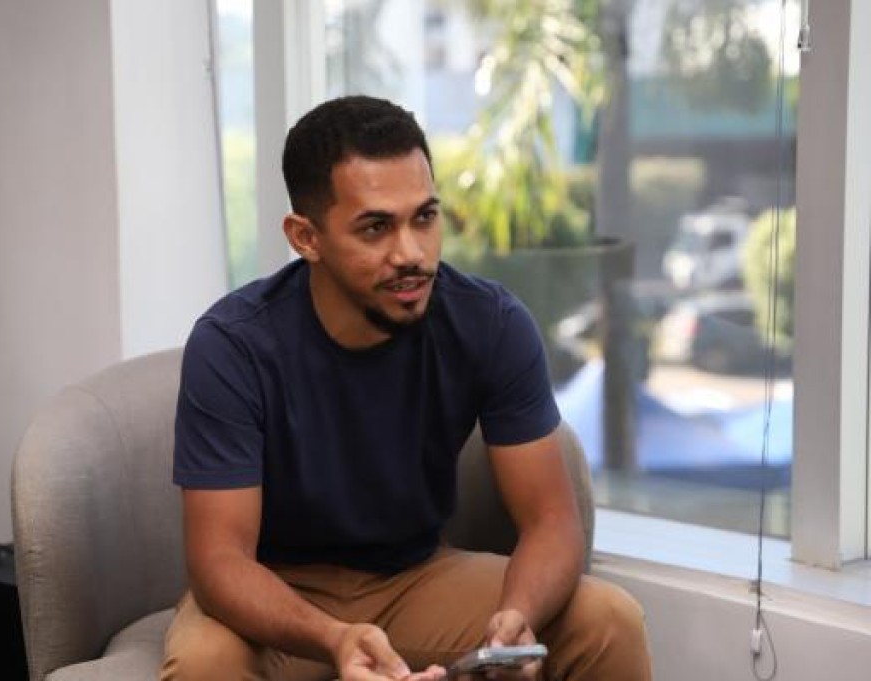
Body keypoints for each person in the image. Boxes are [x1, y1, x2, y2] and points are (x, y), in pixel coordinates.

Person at [162, 95, 651, 681]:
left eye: (424, 217)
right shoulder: (232, 346)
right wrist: (335, 638)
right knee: (204, 666)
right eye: (376, 227)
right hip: (278, 588)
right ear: (305, 237)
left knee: (608, 620)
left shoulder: (490, 323)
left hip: (415, 577)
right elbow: (218, 560)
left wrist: (517, 618)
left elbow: (551, 521)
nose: (412, 253)